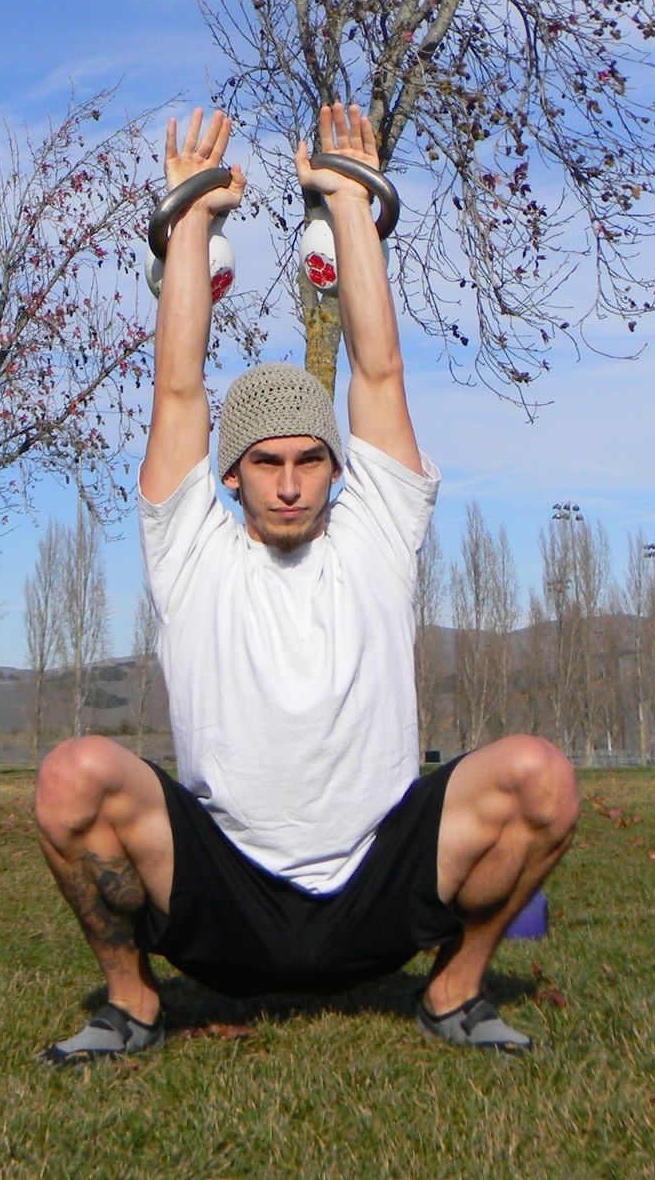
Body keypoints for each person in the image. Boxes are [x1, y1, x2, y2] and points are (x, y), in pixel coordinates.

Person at [35, 102, 578, 1064]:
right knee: (73, 777)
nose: (289, 482)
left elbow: (380, 366)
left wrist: (348, 199)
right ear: (230, 473)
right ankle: (134, 1005)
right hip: (225, 901)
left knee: (541, 777)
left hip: (379, 889)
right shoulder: (191, 550)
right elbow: (178, 390)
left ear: (336, 468)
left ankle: (453, 992)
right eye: (266, 462)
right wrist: (189, 221)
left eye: (310, 460)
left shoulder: (374, 533)